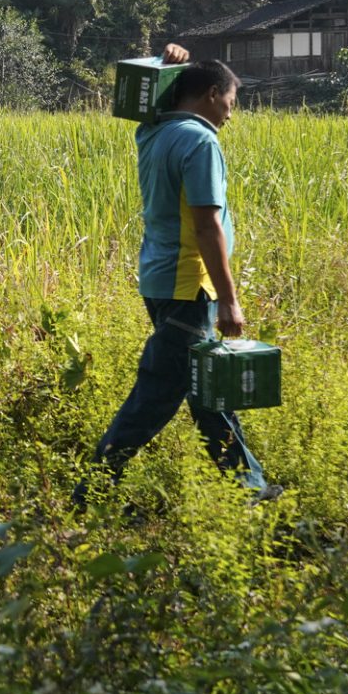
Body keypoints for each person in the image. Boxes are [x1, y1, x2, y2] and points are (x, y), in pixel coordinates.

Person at [88, 44, 277, 501]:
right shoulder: (200, 140)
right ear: (212, 94)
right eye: (230, 103)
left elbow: (150, 101)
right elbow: (207, 225)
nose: (230, 115)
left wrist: (169, 65)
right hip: (187, 284)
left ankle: (249, 488)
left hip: (159, 280)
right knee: (156, 396)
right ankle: (88, 492)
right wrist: (230, 299)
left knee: (206, 390)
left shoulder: (152, 133)